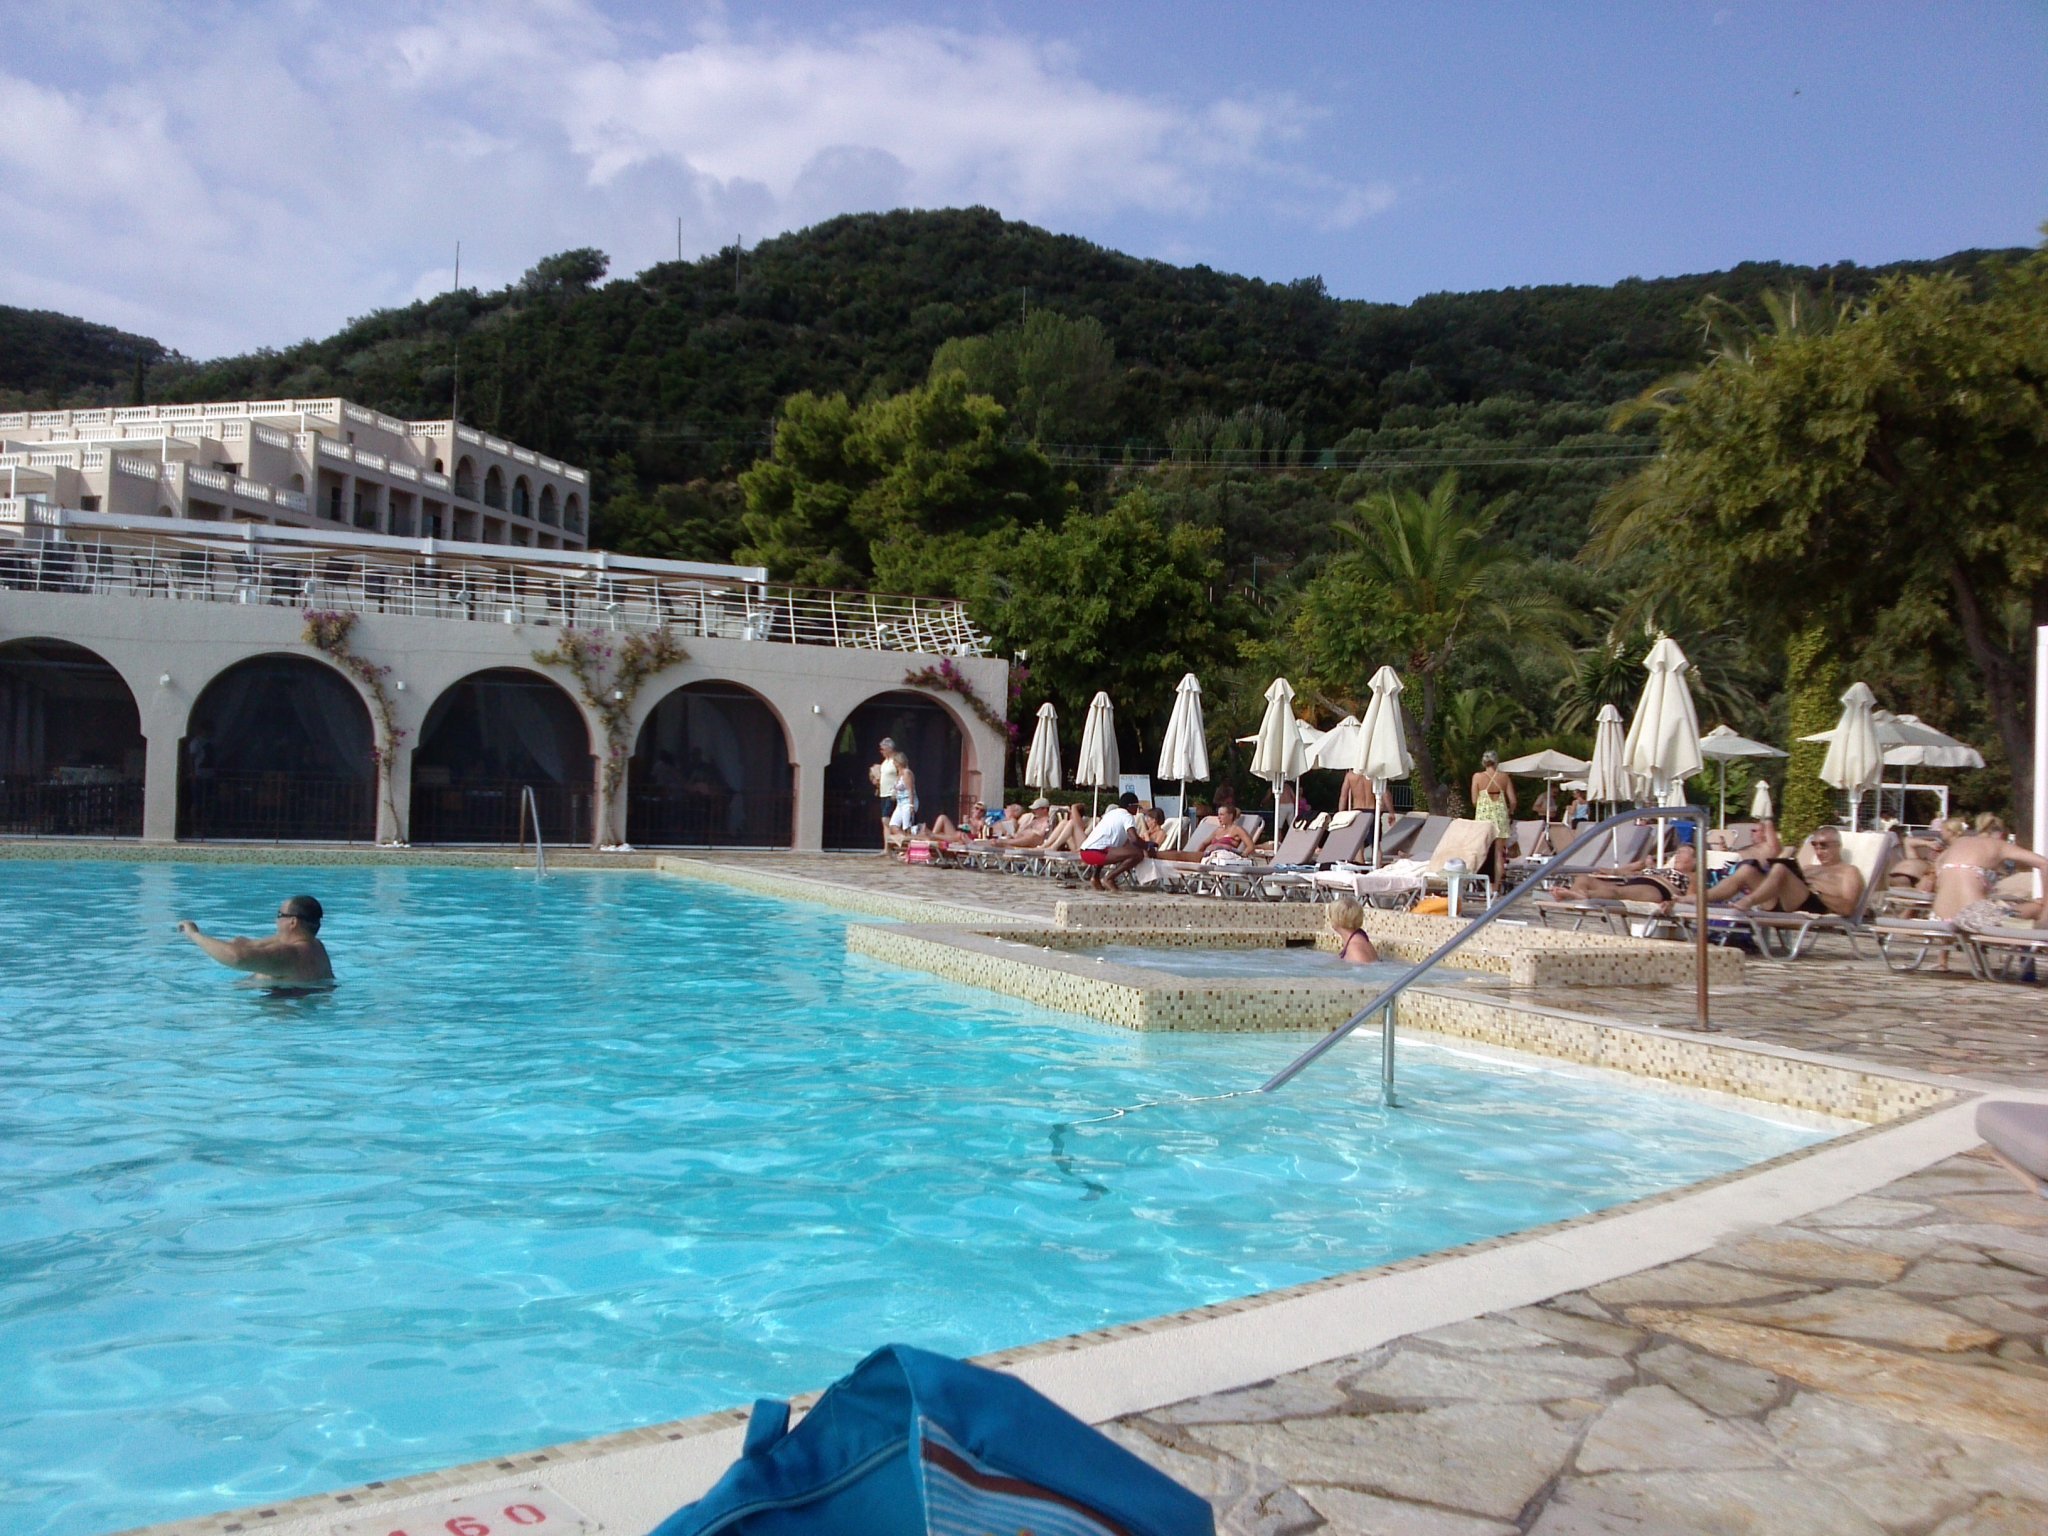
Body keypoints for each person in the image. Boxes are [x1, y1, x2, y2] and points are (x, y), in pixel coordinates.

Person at [178, 895, 334, 988]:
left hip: (282, 1021)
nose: (276, 920)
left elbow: (237, 958)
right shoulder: (315, 946)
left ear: (293, 922)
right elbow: (254, 945)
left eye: (279, 915)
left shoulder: (291, 954)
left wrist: (194, 935)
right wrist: (243, 944)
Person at [1704, 826, 1862, 915]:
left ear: (1838, 845)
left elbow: (1848, 907)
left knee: (1781, 867)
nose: (1819, 851)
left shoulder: (1849, 872)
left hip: (1813, 905)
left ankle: (1748, 902)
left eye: (1824, 846)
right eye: (1815, 846)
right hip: (1780, 901)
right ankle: (1700, 899)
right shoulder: (1809, 868)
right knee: (1747, 870)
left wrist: (1817, 893)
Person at [1931, 814, 2048, 932]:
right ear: (2001, 834)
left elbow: (1939, 868)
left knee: (2000, 909)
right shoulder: (1999, 845)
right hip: (1976, 918)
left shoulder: (1958, 844)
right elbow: (2044, 864)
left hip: (1939, 919)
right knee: (2037, 907)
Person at [1544, 842, 1698, 908]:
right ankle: (1576, 895)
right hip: (1637, 882)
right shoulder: (1662, 869)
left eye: (1683, 853)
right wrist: (1614, 872)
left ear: (1695, 860)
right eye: (1677, 852)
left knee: (1617, 892)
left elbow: (1690, 899)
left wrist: (1672, 903)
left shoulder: (1693, 876)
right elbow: (1635, 867)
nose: (1677, 855)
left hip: (1658, 889)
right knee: (1584, 878)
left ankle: (1581, 896)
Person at [1080, 791, 1146, 891]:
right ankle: (1109, 878)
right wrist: (1147, 845)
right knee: (1138, 854)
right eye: (1136, 806)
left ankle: (1095, 878)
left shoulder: (1111, 814)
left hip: (1085, 852)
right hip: (1095, 853)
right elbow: (1134, 839)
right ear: (1130, 806)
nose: (1137, 810)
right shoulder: (1127, 816)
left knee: (1108, 846)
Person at [1469, 751, 1516, 885]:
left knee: (1483, 852)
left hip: (1484, 818)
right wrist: (1510, 812)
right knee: (1499, 854)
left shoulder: (1477, 777)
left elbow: (1474, 800)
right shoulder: (1504, 777)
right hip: (1500, 817)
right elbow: (1513, 801)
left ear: (1483, 762)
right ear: (1497, 762)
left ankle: (1483, 885)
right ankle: (1496, 887)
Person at [868, 737, 899, 855]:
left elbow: (901, 774)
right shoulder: (885, 762)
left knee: (886, 819)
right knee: (885, 822)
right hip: (884, 793)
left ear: (889, 748)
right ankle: (887, 848)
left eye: (883, 749)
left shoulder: (896, 760)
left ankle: (898, 841)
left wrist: (897, 789)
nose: (881, 751)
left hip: (892, 793)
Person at [1326, 899, 1380, 963]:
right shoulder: (1359, 938)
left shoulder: (1355, 948)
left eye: (1331, 916)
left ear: (1338, 919)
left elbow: (1362, 966)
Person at [885, 750, 918, 852]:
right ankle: (906, 844)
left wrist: (911, 805)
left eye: (895, 761)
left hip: (907, 802)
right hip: (900, 803)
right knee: (893, 825)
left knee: (906, 826)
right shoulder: (898, 774)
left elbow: (910, 790)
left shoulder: (906, 773)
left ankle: (910, 848)